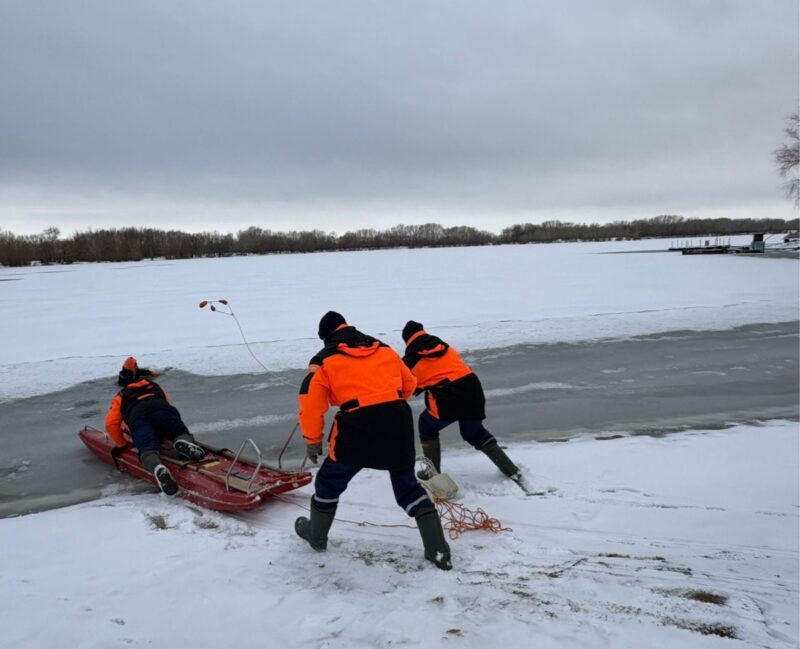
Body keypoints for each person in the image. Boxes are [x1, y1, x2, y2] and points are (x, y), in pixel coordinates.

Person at [294, 311, 452, 570]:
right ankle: (438, 550)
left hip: (356, 427)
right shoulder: (383, 348)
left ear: (326, 337)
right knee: (408, 489)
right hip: (397, 421)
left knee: (328, 482)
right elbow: (409, 383)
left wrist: (313, 441)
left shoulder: (323, 359)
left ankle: (316, 535)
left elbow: (311, 405)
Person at [401, 321, 523, 488]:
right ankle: (510, 469)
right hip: (473, 391)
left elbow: (407, 387)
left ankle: (432, 472)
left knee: (426, 425)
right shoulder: (444, 347)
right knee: (474, 433)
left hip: (449, 399)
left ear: (407, 340)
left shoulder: (411, 360)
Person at [105, 357, 206, 496]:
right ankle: (183, 441)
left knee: (147, 449)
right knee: (179, 431)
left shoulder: (121, 396)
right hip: (163, 410)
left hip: (139, 418)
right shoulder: (155, 386)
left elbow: (110, 424)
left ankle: (157, 467)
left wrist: (122, 444)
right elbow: (167, 403)